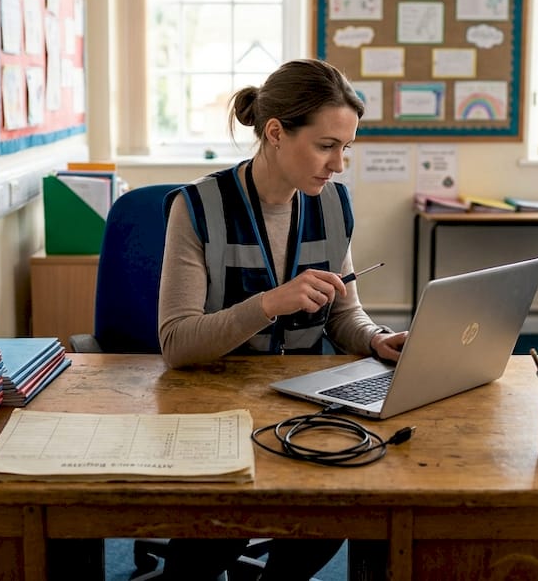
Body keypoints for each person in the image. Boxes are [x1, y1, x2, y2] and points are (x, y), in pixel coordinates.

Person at [158, 58, 408, 580]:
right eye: (326, 146)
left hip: (303, 404)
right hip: (213, 409)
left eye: (346, 148)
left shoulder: (333, 205)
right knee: (207, 547)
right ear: (274, 132)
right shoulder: (197, 207)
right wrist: (269, 303)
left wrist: (376, 340)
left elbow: (344, 312)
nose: (339, 164)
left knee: (341, 503)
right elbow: (177, 342)